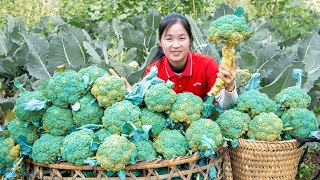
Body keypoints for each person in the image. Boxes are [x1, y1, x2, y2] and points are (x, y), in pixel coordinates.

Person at [143, 13, 237, 110]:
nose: (176, 45)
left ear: (190, 40)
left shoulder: (207, 65)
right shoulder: (153, 72)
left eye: (181, 38)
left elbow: (223, 107)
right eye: (169, 39)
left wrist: (230, 88)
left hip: (205, 122)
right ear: (160, 42)